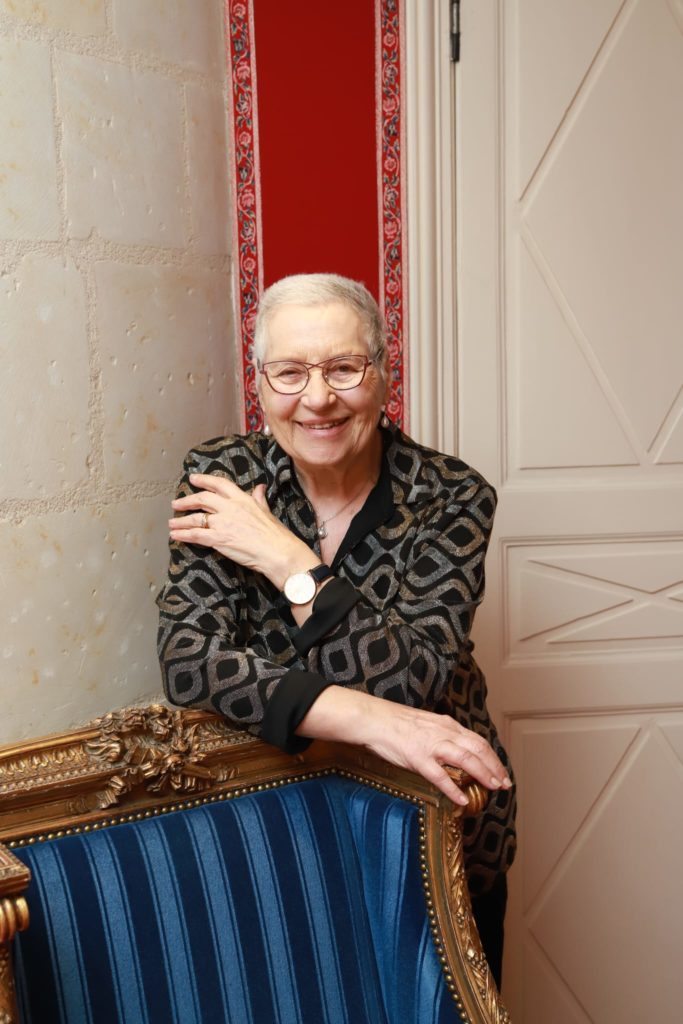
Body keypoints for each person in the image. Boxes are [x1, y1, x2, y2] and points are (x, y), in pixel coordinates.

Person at [157, 273, 516, 986]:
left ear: (383, 374)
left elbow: (408, 679)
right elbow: (189, 662)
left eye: (343, 368)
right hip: (277, 827)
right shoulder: (220, 476)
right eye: (290, 372)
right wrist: (374, 720)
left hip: (431, 821)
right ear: (260, 382)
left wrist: (284, 557)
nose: (317, 398)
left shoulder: (452, 496)